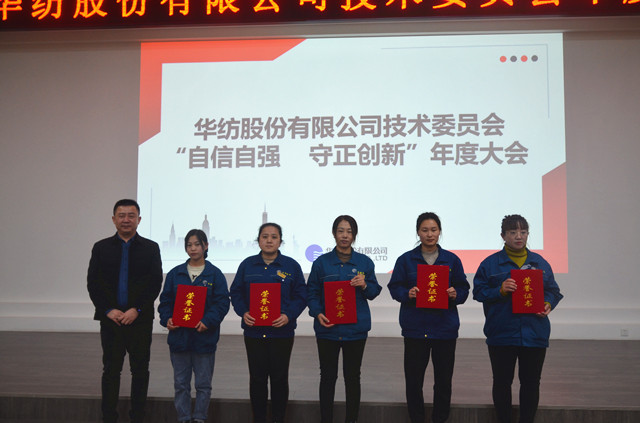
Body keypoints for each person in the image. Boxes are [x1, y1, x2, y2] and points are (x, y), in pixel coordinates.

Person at [473, 214, 563, 423]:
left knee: (531, 383)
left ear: (528, 234)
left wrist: (548, 304)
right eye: (513, 232)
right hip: (502, 333)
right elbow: (478, 292)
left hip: (534, 333)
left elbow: (553, 291)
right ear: (503, 236)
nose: (518, 236)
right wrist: (500, 290)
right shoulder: (490, 264)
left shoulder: (540, 263)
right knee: (502, 382)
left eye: (523, 232)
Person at [387, 212, 470, 423]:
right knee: (414, 381)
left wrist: (456, 294)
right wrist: (407, 293)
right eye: (425, 230)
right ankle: (417, 418)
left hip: (445, 328)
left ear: (440, 231)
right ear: (418, 232)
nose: (429, 234)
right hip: (415, 328)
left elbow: (463, 288)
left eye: (433, 230)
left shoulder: (451, 260)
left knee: (443, 381)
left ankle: (440, 419)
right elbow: (395, 287)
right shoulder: (406, 260)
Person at [87, 199, 163, 423]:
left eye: (131, 215)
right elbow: (93, 283)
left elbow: (154, 283)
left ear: (139, 220)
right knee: (111, 370)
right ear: (114, 219)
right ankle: (109, 417)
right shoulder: (101, 248)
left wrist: (136, 309)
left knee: (140, 370)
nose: (126, 220)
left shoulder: (151, 248)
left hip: (139, 320)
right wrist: (108, 310)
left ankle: (137, 416)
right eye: (122, 215)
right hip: (111, 320)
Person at [307, 215, 382, 423]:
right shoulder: (321, 263)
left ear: (354, 235)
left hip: (355, 331)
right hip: (328, 330)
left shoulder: (364, 262)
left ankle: (352, 419)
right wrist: (317, 312)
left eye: (349, 231)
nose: (345, 235)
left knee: (352, 377)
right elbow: (311, 293)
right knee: (327, 377)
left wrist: (364, 285)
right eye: (340, 231)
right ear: (334, 234)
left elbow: (374, 292)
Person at [230, 223, 307, 423]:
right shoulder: (247, 265)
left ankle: (278, 418)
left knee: (280, 378)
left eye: (274, 237)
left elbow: (301, 294)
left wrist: (288, 315)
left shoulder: (291, 266)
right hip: (254, 332)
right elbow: (236, 292)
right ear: (258, 240)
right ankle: (259, 418)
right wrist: (243, 312)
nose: (269, 240)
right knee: (257, 379)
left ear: (280, 241)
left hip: (282, 332)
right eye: (265, 236)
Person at [158, 229, 230, 423]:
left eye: (197, 244)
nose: (193, 248)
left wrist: (208, 321)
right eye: (189, 245)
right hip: (179, 339)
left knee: (203, 385)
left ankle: (199, 418)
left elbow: (222, 303)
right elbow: (165, 303)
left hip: (204, 339)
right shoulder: (175, 274)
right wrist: (167, 319)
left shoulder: (215, 274)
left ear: (206, 246)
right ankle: (183, 418)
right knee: (181, 384)